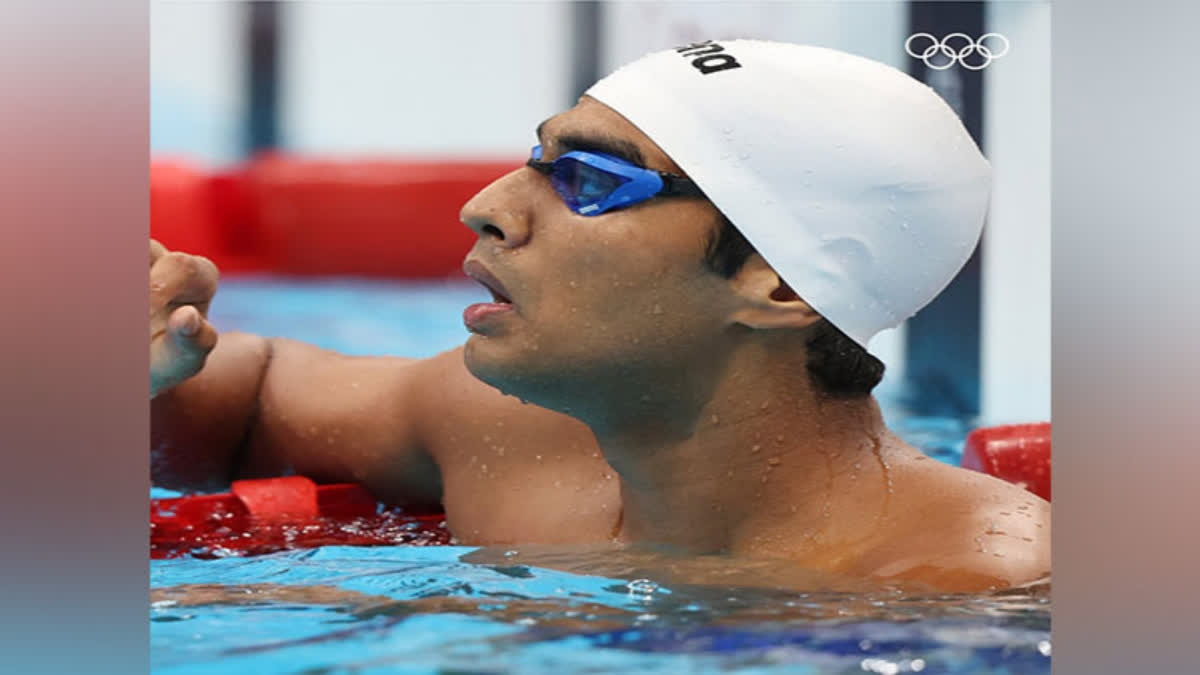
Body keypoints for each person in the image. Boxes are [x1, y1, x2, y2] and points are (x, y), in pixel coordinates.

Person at [151, 40, 1050, 592]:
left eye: (588, 179)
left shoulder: (958, 587)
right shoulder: (509, 433)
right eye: (535, 157)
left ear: (779, 286)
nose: (488, 205)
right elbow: (246, 401)